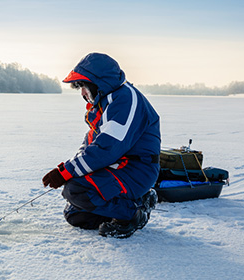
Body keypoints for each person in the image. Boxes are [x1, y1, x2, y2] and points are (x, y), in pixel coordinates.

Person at [42, 53, 160, 239]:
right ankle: (136, 200)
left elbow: (106, 149)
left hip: (136, 169)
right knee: (76, 215)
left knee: (76, 190)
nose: (81, 93)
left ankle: (133, 212)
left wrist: (67, 172)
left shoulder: (125, 101)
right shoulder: (105, 103)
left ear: (98, 83)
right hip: (115, 166)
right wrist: (70, 168)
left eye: (83, 86)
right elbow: (90, 144)